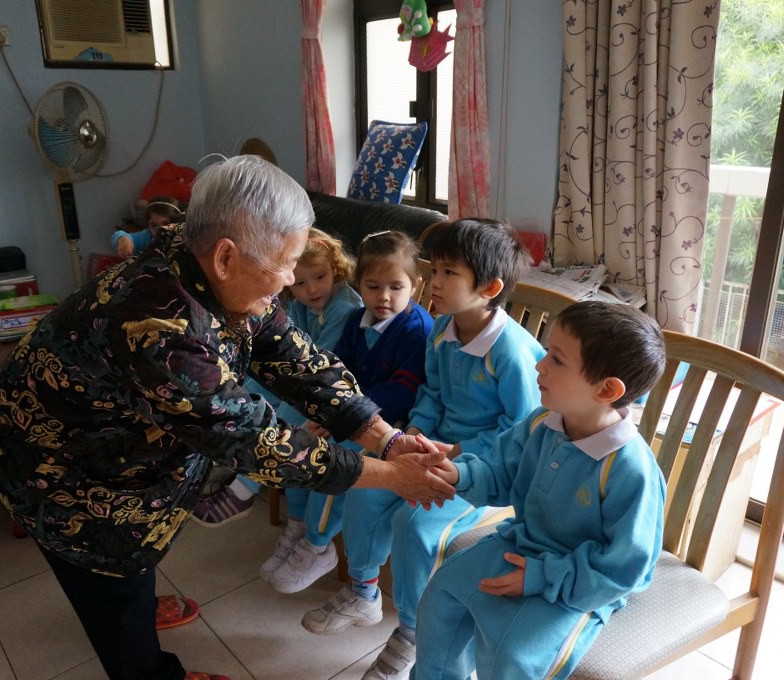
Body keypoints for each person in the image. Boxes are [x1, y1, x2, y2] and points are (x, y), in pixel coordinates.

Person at [0, 155, 454, 680]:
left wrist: (386, 439)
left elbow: (294, 356)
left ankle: (135, 612)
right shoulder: (158, 327)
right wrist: (392, 476)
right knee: (110, 578)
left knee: (129, 580)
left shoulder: (201, 249)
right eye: (286, 263)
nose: (292, 278)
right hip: (56, 464)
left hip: (109, 447)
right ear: (225, 257)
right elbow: (258, 442)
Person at [303, 218, 545, 680]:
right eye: (435, 271)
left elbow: (520, 431)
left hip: (488, 469)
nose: (434, 282)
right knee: (363, 487)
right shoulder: (442, 330)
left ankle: (412, 632)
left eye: (449, 274)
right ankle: (363, 592)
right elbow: (431, 393)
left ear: (489, 288)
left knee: (412, 523)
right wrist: (412, 435)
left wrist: (455, 452)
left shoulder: (509, 351)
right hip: (434, 449)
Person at [411, 301, 668, 680]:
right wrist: (458, 474)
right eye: (547, 352)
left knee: (511, 655)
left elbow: (623, 568)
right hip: (521, 544)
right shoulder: (542, 423)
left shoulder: (631, 469)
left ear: (606, 389)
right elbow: (499, 473)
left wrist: (540, 578)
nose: (539, 365)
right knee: (441, 595)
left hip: (580, 580)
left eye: (557, 360)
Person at [262, 230, 434, 594]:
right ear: (358, 285)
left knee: (338, 461)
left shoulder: (417, 331)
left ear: (415, 287)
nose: (384, 297)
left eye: (396, 287)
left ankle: (317, 545)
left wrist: (346, 417)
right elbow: (335, 369)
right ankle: (297, 526)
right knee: (301, 440)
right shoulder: (358, 319)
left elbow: (403, 392)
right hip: (353, 409)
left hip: (391, 420)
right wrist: (329, 410)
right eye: (373, 286)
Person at [193, 227, 361, 534]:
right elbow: (287, 351)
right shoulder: (300, 303)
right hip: (307, 375)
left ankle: (244, 488)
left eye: (320, 277)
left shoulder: (345, 307)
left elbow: (319, 368)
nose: (312, 289)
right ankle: (232, 451)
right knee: (252, 385)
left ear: (335, 269)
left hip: (336, 384)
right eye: (300, 283)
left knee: (289, 406)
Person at [112, 196, 183, 258]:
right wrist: (123, 240)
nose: (160, 229)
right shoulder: (147, 237)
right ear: (148, 225)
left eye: (167, 224)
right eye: (154, 225)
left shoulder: (183, 236)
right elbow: (121, 235)